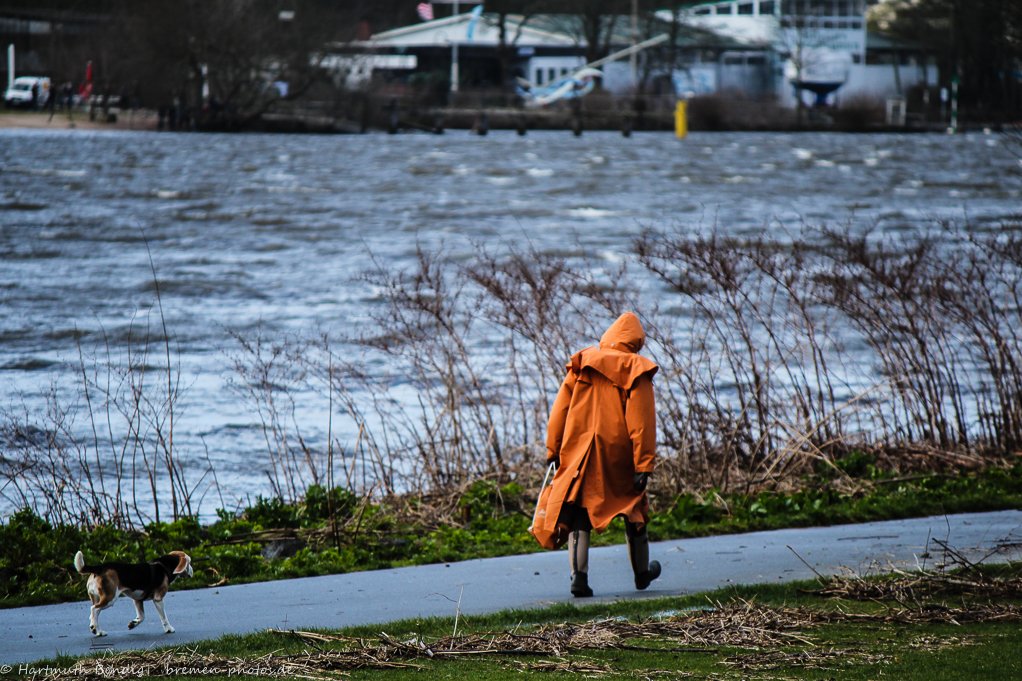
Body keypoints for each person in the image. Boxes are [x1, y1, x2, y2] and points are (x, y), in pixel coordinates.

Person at [539, 312, 662, 597]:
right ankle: (642, 575)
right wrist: (644, 464)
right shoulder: (636, 368)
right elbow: (641, 422)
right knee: (633, 509)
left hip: (579, 452)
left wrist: (553, 448)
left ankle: (578, 578)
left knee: (580, 511)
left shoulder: (583, 363)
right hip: (617, 456)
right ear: (636, 342)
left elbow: (560, 410)